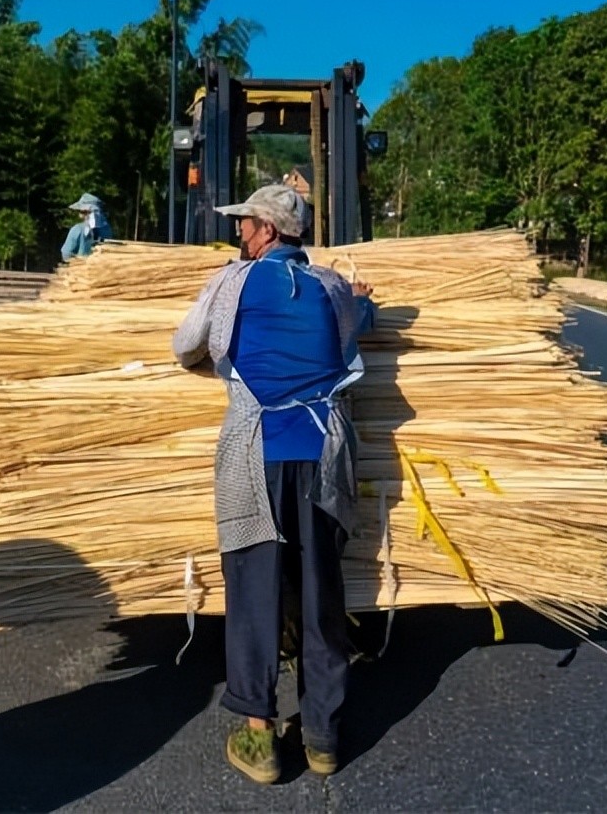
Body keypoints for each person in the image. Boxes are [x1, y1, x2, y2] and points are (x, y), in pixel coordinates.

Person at [172, 184, 376, 783]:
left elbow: (184, 345)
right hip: (323, 455)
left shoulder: (233, 283)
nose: (239, 234)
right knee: (320, 591)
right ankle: (322, 738)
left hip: (254, 458)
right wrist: (363, 301)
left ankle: (260, 737)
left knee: (254, 588)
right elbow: (364, 317)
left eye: (245, 225)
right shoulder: (332, 288)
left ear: (265, 230)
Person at [60, 193, 113, 260]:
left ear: (86, 212)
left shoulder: (77, 229)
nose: (79, 215)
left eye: (81, 211)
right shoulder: (107, 230)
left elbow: (66, 254)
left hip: (79, 269)